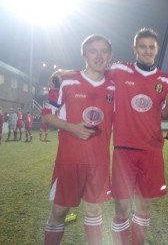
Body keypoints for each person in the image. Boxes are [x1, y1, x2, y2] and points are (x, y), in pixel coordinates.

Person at [42, 34, 114, 245]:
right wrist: (71, 127)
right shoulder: (65, 81)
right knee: (59, 210)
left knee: (94, 210)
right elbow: (46, 115)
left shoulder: (114, 86)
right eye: (93, 51)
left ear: (109, 55)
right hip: (69, 160)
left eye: (103, 51)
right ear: (84, 55)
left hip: (99, 162)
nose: (99, 56)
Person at [108, 28, 168, 245]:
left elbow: (165, 113)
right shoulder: (119, 69)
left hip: (151, 151)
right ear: (134, 49)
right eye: (143, 47)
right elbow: (95, 70)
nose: (147, 51)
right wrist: (64, 73)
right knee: (121, 207)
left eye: (151, 47)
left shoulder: (166, 80)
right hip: (124, 150)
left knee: (144, 207)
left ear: (157, 49)